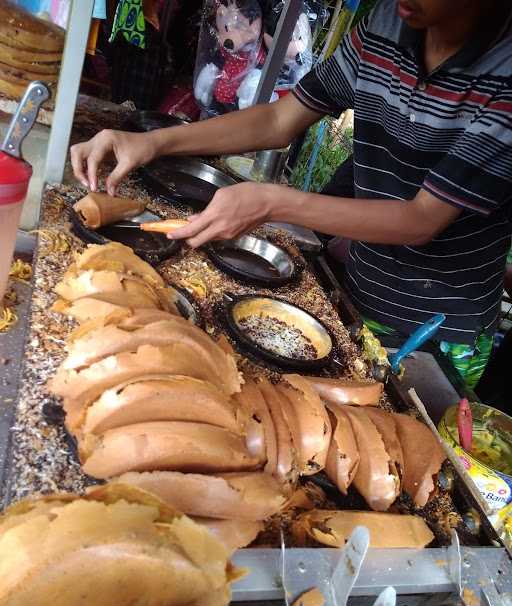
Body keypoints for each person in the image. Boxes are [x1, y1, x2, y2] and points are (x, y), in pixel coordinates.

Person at [71, 0, 512, 389]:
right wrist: (156, 142)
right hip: (360, 280)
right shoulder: (387, 23)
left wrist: (271, 201)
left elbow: (421, 220)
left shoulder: (505, 78)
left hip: (436, 326)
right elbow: (281, 119)